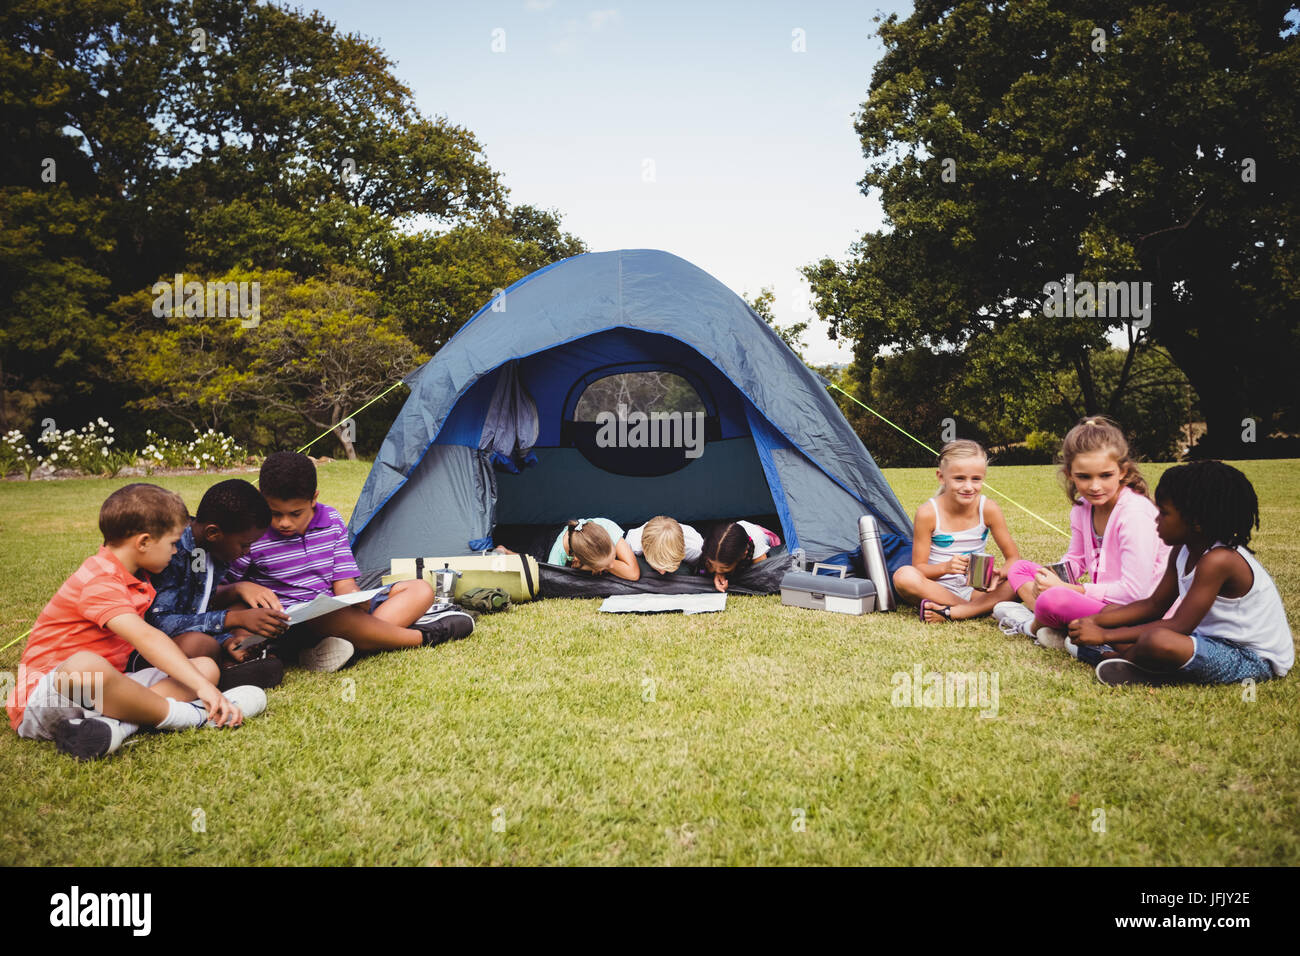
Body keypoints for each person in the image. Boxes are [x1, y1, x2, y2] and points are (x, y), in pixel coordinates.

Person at [6, 483, 266, 760]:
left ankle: (115, 725)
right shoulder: (99, 578)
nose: (176, 552)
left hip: (101, 694)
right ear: (143, 543)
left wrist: (203, 680)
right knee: (84, 666)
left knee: (204, 667)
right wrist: (204, 690)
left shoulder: (137, 578)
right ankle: (193, 717)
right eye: (171, 544)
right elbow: (146, 637)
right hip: (46, 696)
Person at [225, 452, 472, 671]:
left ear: (313, 499)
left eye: (295, 513)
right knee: (329, 619)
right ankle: (423, 636)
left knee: (420, 589)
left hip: (330, 612)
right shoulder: (252, 531)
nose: (284, 522)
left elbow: (343, 584)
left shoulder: (331, 520)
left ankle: (333, 648)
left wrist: (355, 598)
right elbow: (218, 594)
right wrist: (242, 587)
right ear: (261, 498)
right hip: (283, 624)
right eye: (275, 513)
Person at [1067, 461, 1293, 686]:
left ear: (1195, 522)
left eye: (1164, 513)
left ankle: (1113, 659)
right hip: (1203, 642)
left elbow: (1179, 625)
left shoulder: (1219, 560)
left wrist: (1104, 635)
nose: (1156, 519)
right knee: (1113, 612)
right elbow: (1153, 606)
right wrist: (1095, 621)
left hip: (1250, 660)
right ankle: (1121, 660)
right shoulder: (1182, 550)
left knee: (1157, 640)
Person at [993, 417, 1169, 648]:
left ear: (1122, 471)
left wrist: (1067, 589)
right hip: (1102, 601)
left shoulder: (1135, 514)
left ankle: (1031, 626)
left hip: (1135, 611)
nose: (1095, 486)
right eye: (1084, 477)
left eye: (1105, 475)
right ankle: (1065, 626)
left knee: (1054, 599)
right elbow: (1074, 561)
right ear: (1069, 474)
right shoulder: (1083, 509)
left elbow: (1136, 593)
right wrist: (1047, 578)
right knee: (1020, 569)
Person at [139, 479, 287, 689]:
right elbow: (160, 622)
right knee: (200, 644)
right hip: (150, 648)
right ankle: (223, 677)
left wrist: (227, 640)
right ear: (213, 533)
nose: (248, 552)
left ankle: (231, 663)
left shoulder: (212, 551)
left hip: (191, 636)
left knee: (247, 612)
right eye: (245, 545)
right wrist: (233, 619)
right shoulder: (170, 551)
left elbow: (197, 608)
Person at [891, 439, 1020, 622]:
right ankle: (973, 610)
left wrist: (1000, 574)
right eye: (959, 478)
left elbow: (1013, 558)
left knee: (1022, 577)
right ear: (941, 477)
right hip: (938, 589)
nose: (968, 487)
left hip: (976, 590)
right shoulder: (928, 513)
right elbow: (919, 569)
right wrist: (946, 567)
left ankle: (953, 612)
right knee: (904, 576)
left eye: (976, 479)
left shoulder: (988, 508)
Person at [545, 518, 640, 580]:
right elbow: (550, 582)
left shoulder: (608, 527)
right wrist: (582, 567)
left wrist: (603, 565)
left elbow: (633, 573)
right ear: (577, 559)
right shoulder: (558, 553)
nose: (611, 565)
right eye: (606, 566)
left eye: (613, 556)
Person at [699, 520, 780, 593]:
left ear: (743, 555)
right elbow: (704, 569)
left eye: (724, 568)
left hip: (769, 538)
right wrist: (718, 574)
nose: (717, 570)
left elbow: (760, 577)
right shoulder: (713, 545)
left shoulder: (757, 543)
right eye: (712, 564)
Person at [625, 515, 703, 575]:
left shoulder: (696, 549)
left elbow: (701, 570)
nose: (662, 573)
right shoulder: (632, 543)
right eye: (657, 567)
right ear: (644, 551)